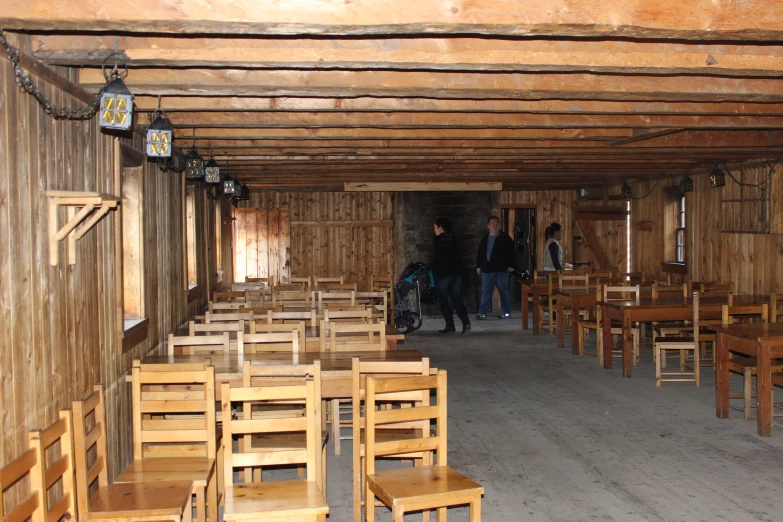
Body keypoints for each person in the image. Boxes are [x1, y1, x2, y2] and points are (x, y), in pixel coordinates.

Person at [430, 217, 471, 334]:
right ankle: (466, 321)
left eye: (435, 228)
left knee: (443, 300)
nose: (434, 230)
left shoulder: (437, 240)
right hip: (456, 273)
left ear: (440, 228)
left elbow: (436, 257)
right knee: (456, 298)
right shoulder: (455, 238)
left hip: (442, 273)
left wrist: (429, 267)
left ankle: (450, 325)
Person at [476, 216, 516, 319]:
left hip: (501, 270)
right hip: (487, 270)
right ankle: (483, 313)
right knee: (486, 292)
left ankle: (506, 313)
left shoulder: (505, 238)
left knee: (503, 291)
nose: (494, 225)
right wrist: (479, 266)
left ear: (499, 225)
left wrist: (512, 265)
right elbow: (480, 254)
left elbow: (512, 252)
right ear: (488, 226)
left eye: (496, 223)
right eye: (492, 223)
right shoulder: (484, 239)